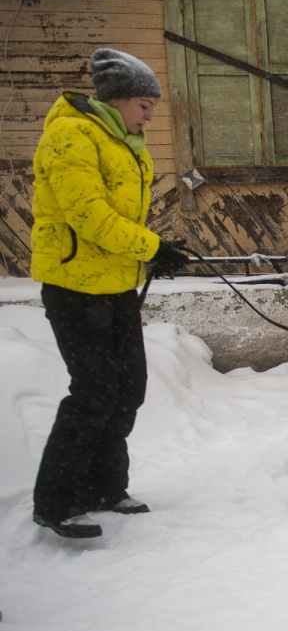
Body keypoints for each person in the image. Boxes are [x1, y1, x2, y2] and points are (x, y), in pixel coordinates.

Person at [28, 48, 190, 539]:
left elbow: (120, 218)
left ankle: (104, 487)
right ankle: (56, 502)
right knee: (94, 390)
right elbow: (89, 217)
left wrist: (150, 254)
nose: (150, 114)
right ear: (117, 99)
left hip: (115, 284)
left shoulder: (123, 140)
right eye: (145, 104)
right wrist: (151, 246)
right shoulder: (70, 136)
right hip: (74, 288)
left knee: (128, 388)